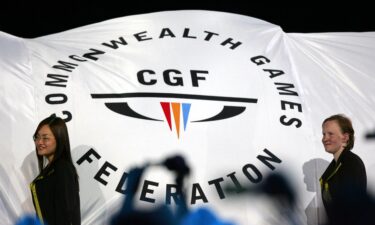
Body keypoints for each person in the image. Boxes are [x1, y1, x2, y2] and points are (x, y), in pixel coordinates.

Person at [30, 115, 80, 225]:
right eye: (37, 137)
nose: (39, 142)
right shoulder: (53, 168)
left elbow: (66, 213)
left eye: (45, 138)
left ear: (59, 139)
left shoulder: (63, 168)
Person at [319, 114, 367, 224]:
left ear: (345, 137)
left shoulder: (352, 163)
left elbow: (353, 208)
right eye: (323, 134)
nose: (324, 138)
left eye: (330, 134)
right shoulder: (337, 165)